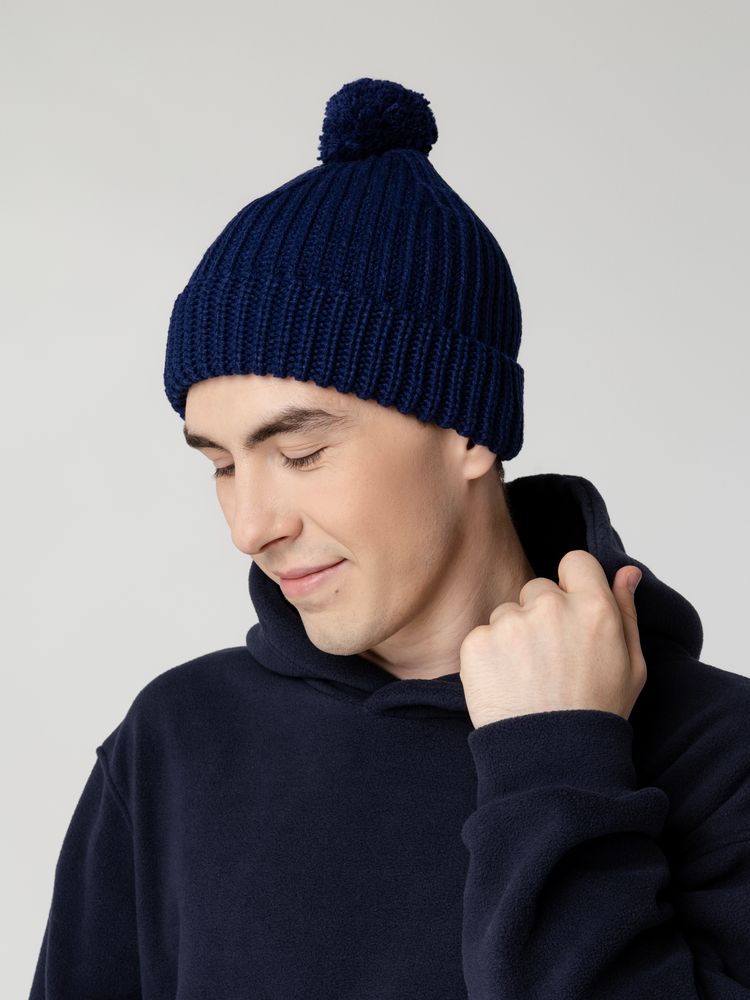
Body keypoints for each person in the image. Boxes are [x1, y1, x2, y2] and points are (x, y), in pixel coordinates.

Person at [29, 77, 750, 999]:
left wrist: (558, 761)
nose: (251, 527)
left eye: (300, 453)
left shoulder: (717, 754)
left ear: (469, 430)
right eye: (220, 464)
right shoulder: (177, 742)